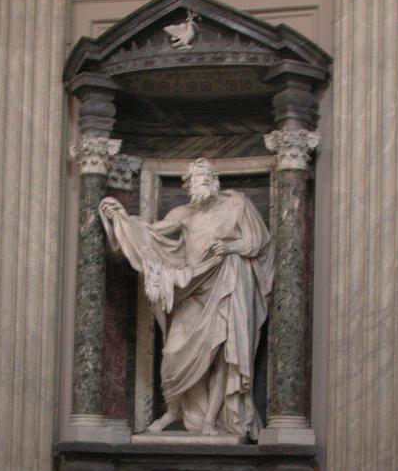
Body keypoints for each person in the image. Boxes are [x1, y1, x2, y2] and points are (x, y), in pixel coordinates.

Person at [99, 158, 274, 439]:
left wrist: (231, 246)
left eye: (201, 181)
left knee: (221, 356)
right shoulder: (183, 214)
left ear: (214, 182)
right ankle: (173, 410)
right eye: (192, 182)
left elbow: (259, 243)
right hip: (190, 289)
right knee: (172, 353)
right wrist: (120, 216)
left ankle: (210, 421)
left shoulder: (237, 206)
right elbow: (150, 233)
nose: (196, 187)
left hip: (225, 288)